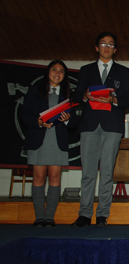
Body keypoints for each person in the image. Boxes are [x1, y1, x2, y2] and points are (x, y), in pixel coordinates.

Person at [72, 32, 129, 227]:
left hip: (112, 126)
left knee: (107, 172)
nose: (106, 47)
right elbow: (74, 97)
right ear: (96, 47)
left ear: (115, 49)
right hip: (89, 125)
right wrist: (85, 95)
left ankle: (102, 215)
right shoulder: (85, 70)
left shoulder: (123, 71)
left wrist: (113, 99)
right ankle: (84, 214)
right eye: (103, 43)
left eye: (110, 44)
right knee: (88, 172)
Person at [21, 60, 75, 227]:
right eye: (54, 70)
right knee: (38, 177)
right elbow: (25, 116)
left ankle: (49, 217)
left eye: (61, 71)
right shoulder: (35, 91)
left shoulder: (67, 95)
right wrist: (38, 122)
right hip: (39, 140)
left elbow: (74, 124)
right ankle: (39, 217)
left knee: (54, 178)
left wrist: (67, 120)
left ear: (64, 76)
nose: (57, 73)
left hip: (57, 142)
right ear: (48, 72)